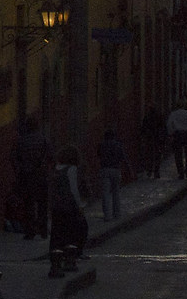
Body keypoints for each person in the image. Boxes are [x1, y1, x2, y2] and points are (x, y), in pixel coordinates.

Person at [48, 145, 90, 273]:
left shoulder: (55, 170)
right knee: (78, 229)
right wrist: (80, 205)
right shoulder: (71, 170)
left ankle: (56, 258)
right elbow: (74, 189)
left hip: (56, 207)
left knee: (57, 232)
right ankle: (71, 256)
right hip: (69, 207)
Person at [13, 114, 53, 240]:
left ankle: (30, 231)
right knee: (42, 204)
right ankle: (43, 230)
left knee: (28, 203)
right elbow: (50, 156)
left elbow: (14, 158)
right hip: (41, 175)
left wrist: (19, 170)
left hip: (26, 175)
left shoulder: (21, 141)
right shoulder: (43, 140)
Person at [97, 127, 127, 222]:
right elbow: (123, 157)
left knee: (105, 193)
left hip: (105, 169)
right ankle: (117, 214)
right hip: (116, 169)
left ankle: (107, 216)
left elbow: (99, 155)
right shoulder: (118, 145)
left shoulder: (101, 145)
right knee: (116, 192)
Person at [166, 101, 187, 179]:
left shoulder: (173, 114)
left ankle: (181, 173)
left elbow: (169, 124)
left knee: (178, 154)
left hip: (177, 135)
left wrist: (171, 133)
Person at [138, 102, 168, 181]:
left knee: (150, 155)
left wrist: (143, 136)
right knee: (157, 155)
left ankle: (150, 170)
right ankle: (156, 171)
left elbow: (143, 128)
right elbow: (164, 128)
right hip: (158, 139)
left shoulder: (147, 117)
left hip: (150, 139)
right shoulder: (160, 117)